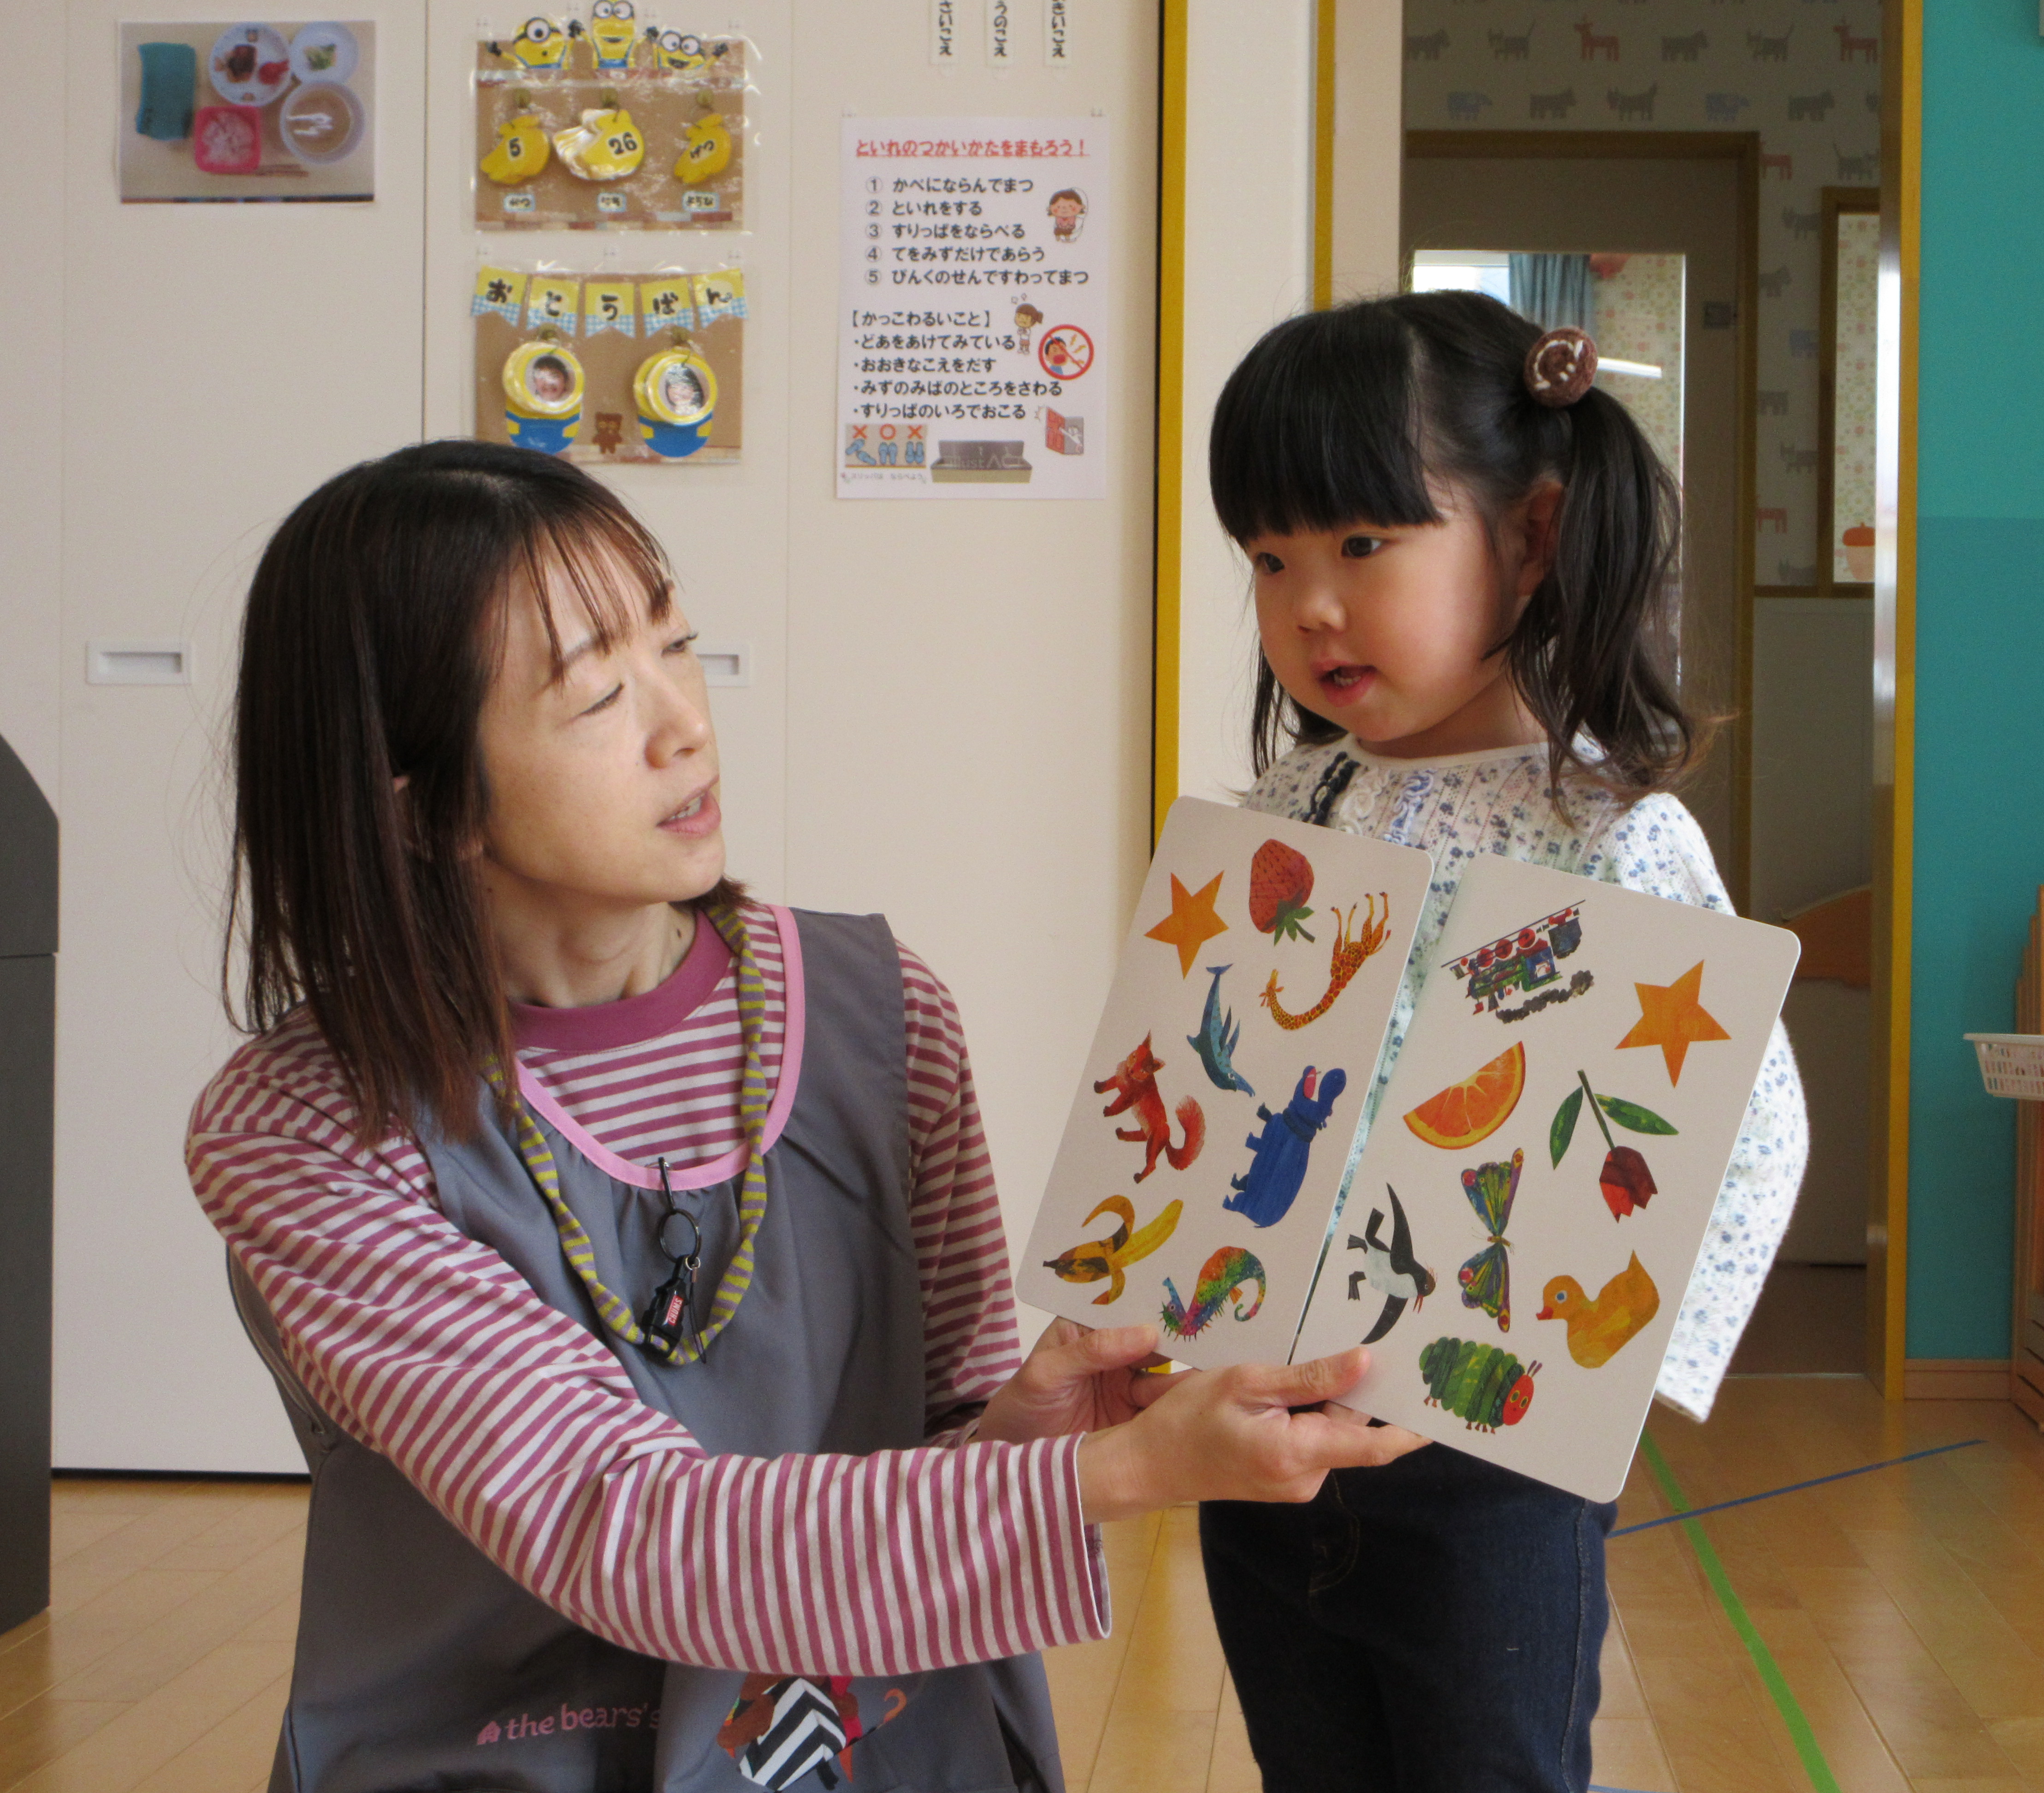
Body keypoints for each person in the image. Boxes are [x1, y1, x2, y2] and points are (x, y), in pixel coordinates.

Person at [187, 439, 1420, 1793]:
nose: (683, 726)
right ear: (423, 806)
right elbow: (620, 1526)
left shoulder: (881, 1013)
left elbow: (944, 1452)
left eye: (678, 647)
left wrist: (1043, 1433)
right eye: (599, 694)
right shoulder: (302, 1131)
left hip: (870, 1750)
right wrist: (1116, 1476)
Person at [1195, 291, 1809, 1793]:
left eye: (1361, 545)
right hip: (1264, 1433)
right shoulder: (1282, 820)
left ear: (1530, 539)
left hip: (1489, 1459)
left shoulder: (1610, 836)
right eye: (1270, 559)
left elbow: (1752, 1130)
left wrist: (1609, 1382)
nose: (1309, 606)